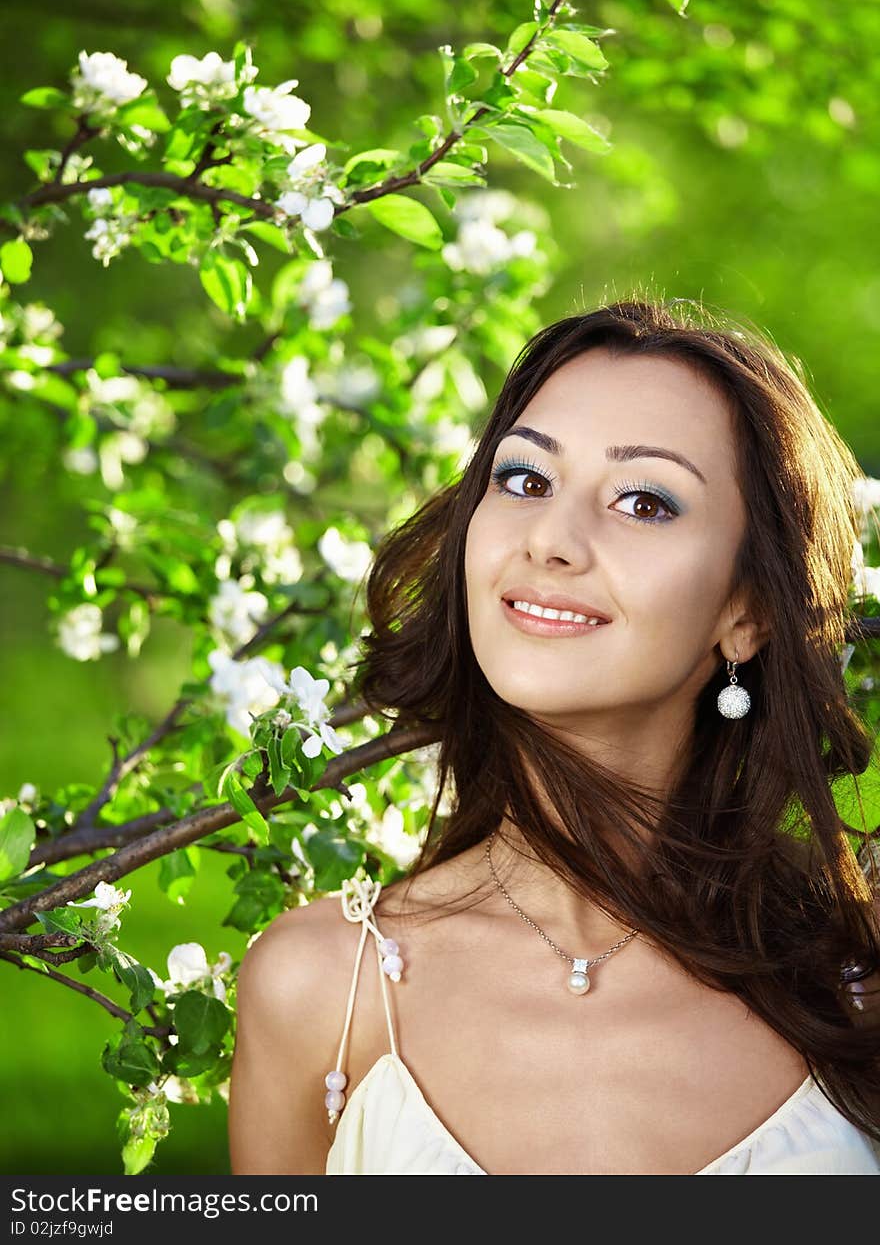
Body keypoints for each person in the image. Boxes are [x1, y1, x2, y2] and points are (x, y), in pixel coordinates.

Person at [228, 297, 880, 1175]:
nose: (551, 540)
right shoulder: (322, 987)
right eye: (526, 481)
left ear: (748, 609)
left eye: (645, 502)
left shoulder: (860, 970)